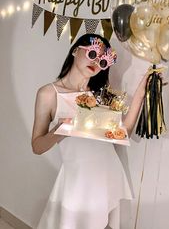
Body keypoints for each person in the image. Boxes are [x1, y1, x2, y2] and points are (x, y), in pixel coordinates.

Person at [32, 33, 148, 229]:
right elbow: (37, 146)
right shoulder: (49, 94)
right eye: (93, 53)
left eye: (103, 60)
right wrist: (61, 130)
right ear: (76, 50)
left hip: (108, 176)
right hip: (77, 182)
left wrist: (141, 92)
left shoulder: (102, 95)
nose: (96, 61)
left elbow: (123, 132)